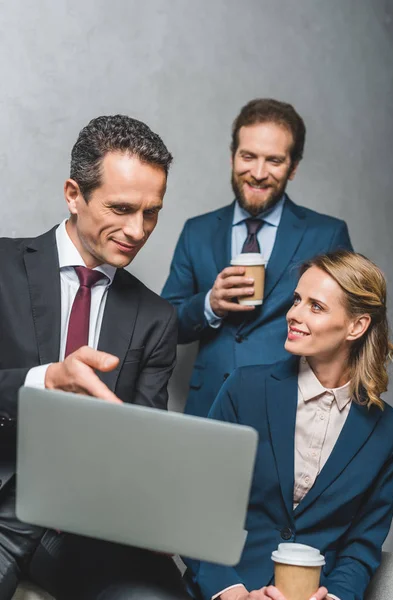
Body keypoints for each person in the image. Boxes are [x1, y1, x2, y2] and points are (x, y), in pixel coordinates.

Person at [0, 115, 190, 599]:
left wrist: (158, 506)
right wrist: (45, 380)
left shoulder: (155, 317)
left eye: (152, 213)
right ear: (73, 194)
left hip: (88, 523)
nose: (137, 229)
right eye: (122, 208)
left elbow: (145, 438)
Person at [184, 250, 393, 600]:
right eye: (297, 300)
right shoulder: (244, 388)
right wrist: (232, 592)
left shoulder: (389, 431)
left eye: (316, 306)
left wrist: (336, 597)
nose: (294, 314)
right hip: (228, 591)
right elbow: (198, 507)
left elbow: (361, 545)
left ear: (356, 326)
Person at [162, 98, 353, 418]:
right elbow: (166, 323)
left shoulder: (328, 235)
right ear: (232, 157)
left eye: (274, 160)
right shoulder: (197, 231)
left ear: (293, 168)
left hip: (292, 407)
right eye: (248, 156)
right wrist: (210, 304)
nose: (258, 173)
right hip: (208, 404)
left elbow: (343, 329)